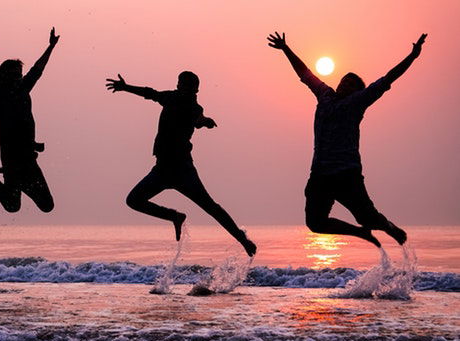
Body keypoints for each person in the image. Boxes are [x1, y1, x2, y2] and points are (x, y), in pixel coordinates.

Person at [267, 32, 427, 247]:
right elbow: (305, 73)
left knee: (367, 218)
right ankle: (361, 234)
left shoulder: (358, 102)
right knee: (315, 223)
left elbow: (389, 78)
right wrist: (286, 49)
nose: (345, 85)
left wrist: (413, 56)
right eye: (344, 81)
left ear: (357, 91)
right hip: (320, 174)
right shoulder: (324, 95)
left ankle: (388, 228)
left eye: (351, 84)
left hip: (346, 174)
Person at [105, 72, 257, 256]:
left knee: (210, 206)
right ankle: (174, 216)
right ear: (178, 85)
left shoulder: (193, 107)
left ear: (196, 89)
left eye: (189, 87)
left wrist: (206, 122)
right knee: (133, 200)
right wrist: (125, 87)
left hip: (183, 170)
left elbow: (198, 119)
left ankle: (242, 240)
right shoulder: (170, 97)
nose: (184, 89)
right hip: (161, 169)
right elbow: (149, 93)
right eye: (182, 85)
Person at [0, 3, 58, 213]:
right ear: (3, 76)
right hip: (10, 159)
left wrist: (50, 47)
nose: (16, 79)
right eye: (12, 75)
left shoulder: (23, 89)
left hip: (28, 160)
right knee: (12, 207)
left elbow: (38, 69)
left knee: (47, 206)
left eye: (18, 75)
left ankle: (10, 180)